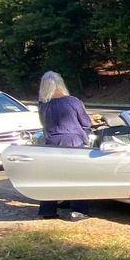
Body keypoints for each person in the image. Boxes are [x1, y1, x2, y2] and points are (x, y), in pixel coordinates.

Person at [36, 71, 93, 222]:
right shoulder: (72, 101)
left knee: (52, 178)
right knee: (77, 177)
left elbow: (44, 124)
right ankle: (78, 211)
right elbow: (87, 123)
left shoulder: (43, 105)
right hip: (73, 143)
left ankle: (47, 210)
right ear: (61, 83)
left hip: (51, 144)